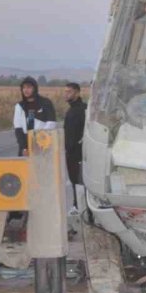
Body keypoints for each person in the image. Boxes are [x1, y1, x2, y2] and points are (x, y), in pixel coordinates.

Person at [13, 76, 56, 155]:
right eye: (24, 88)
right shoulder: (19, 106)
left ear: (35, 88)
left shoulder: (45, 103)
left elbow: (51, 123)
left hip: (43, 144)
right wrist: (24, 147)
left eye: (29, 87)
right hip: (26, 146)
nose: (26, 90)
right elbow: (18, 128)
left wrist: (39, 140)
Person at [63, 82, 87, 214]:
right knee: (74, 181)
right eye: (65, 91)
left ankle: (79, 207)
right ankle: (77, 205)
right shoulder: (71, 110)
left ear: (77, 93)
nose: (66, 94)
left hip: (78, 153)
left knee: (79, 181)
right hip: (70, 153)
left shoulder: (82, 109)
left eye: (69, 92)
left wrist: (78, 146)